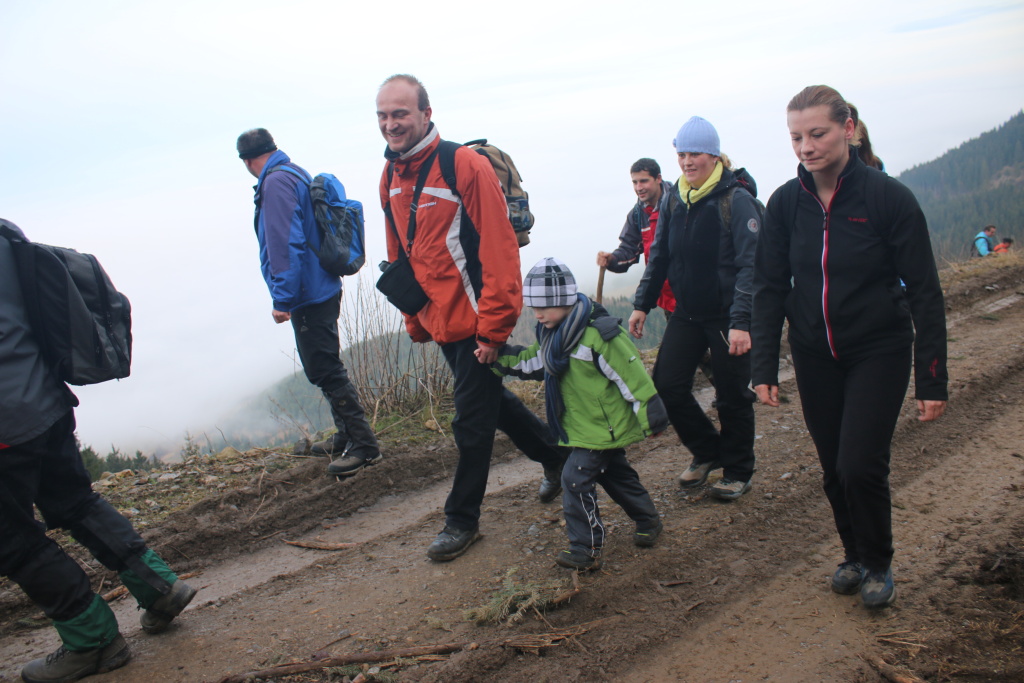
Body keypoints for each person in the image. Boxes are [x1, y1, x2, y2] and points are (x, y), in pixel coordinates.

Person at [751, 86, 948, 609]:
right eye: (797, 137)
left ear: (848, 129)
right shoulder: (785, 203)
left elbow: (925, 292)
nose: (806, 147)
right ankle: (854, 555)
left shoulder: (888, 198)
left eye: (817, 134)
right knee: (834, 467)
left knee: (860, 463)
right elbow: (769, 286)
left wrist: (932, 378)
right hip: (814, 353)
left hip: (878, 348)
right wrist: (763, 366)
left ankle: (878, 562)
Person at [375, 74, 566, 561]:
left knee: (471, 422)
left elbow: (500, 250)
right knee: (493, 404)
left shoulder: (463, 165)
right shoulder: (390, 177)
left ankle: (462, 520)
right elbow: (400, 255)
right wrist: (415, 318)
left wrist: (494, 328)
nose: (391, 124)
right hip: (440, 319)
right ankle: (558, 459)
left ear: (426, 114)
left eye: (400, 113)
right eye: (383, 115)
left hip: (478, 320)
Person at [1, 219, 196, 682]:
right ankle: (160, 586)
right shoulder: (5, 236)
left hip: (6, 427)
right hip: (45, 400)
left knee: (15, 541)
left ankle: (92, 642)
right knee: (75, 502)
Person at [491, 258, 666, 570]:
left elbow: (632, 376)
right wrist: (498, 360)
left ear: (565, 300)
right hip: (583, 425)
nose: (537, 314)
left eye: (544, 307)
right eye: (534, 307)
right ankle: (648, 520)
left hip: (602, 426)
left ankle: (586, 550)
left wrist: (650, 415)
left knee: (574, 479)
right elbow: (536, 362)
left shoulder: (600, 335)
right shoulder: (553, 334)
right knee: (615, 474)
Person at [628, 116, 760, 501]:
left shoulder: (736, 201)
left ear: (714, 156)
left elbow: (750, 267)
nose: (687, 161)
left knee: (732, 395)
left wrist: (741, 322)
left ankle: (738, 470)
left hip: (726, 315)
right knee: (667, 385)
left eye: (695, 154)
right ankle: (708, 450)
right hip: (687, 312)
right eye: (682, 154)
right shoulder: (675, 198)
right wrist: (642, 304)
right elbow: (660, 256)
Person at [237, 128, 381, 477]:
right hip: (321, 285)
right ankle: (346, 434)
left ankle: (363, 444)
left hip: (308, 292)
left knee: (324, 369)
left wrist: (282, 298)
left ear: (246, 160)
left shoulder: (275, 183)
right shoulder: (293, 171)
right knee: (324, 364)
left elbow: (286, 243)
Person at [596, 158, 676, 314]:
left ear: (658, 178)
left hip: (693, 291)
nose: (639, 187)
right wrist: (611, 259)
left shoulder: (679, 203)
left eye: (644, 181)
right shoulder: (637, 215)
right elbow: (628, 250)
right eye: (635, 182)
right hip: (667, 299)